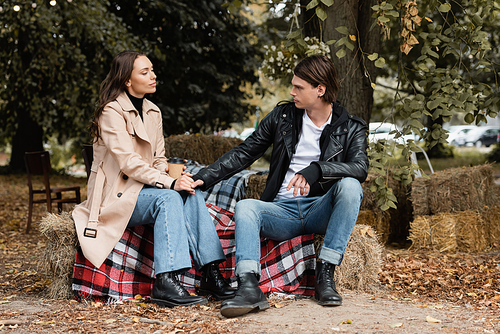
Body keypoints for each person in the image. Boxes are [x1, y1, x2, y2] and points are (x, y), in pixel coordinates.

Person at [191, 55, 369, 317]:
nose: (291, 91)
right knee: (246, 207)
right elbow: (245, 152)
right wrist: (204, 176)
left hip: (320, 209)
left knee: (351, 186)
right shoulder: (282, 117)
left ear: (320, 90)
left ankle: (325, 275)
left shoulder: (351, 128)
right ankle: (249, 287)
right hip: (281, 211)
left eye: (298, 87)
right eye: (292, 86)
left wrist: (316, 169)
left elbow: (360, 168)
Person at [72, 50, 235, 308]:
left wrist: (176, 180)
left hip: (144, 189)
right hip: (117, 194)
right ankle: (166, 281)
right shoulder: (111, 111)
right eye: (144, 72)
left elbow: (159, 158)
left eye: (152, 70)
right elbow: (128, 162)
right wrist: (169, 183)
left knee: (191, 191)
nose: (153, 75)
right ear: (127, 80)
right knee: (169, 197)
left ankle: (211, 273)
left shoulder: (153, 111)